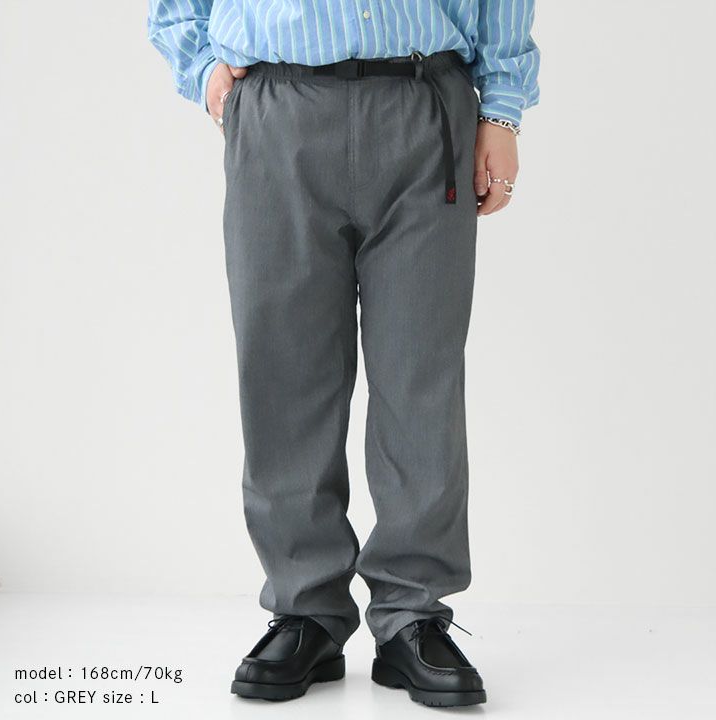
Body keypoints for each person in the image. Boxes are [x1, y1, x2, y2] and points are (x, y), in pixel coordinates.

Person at [148, 0, 539, 707]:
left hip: (425, 106)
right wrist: (203, 68)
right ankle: (305, 609)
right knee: (283, 372)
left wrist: (503, 111)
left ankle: (413, 612)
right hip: (278, 108)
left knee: (420, 374)